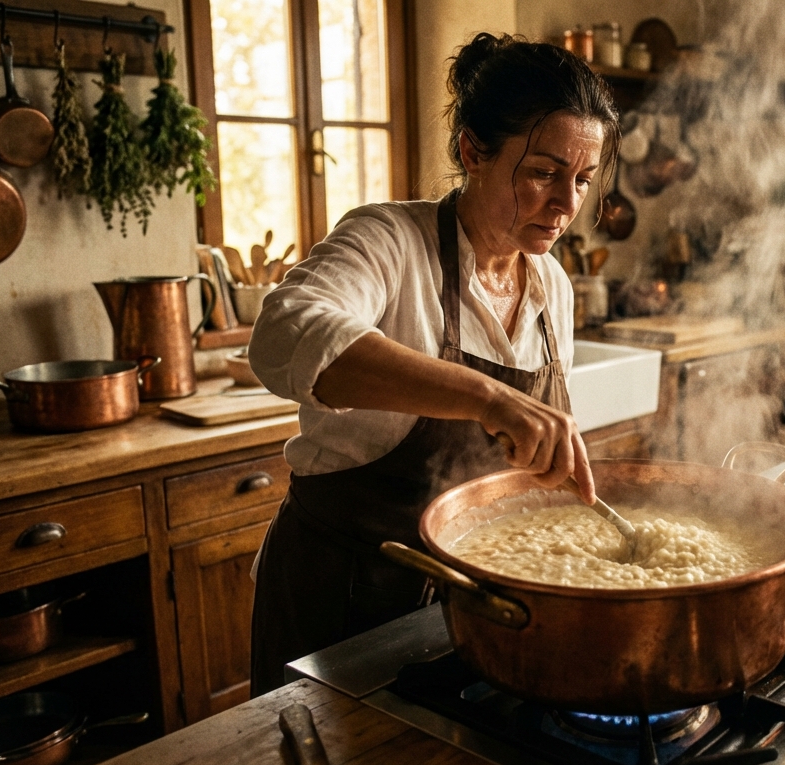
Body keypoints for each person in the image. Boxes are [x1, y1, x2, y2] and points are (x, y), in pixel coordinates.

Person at [247, 32, 619, 695]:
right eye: (543, 172)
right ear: (472, 152)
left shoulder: (552, 287)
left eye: (582, 179)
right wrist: (488, 397)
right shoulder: (390, 241)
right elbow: (284, 332)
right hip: (340, 603)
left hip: (467, 606)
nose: (567, 205)